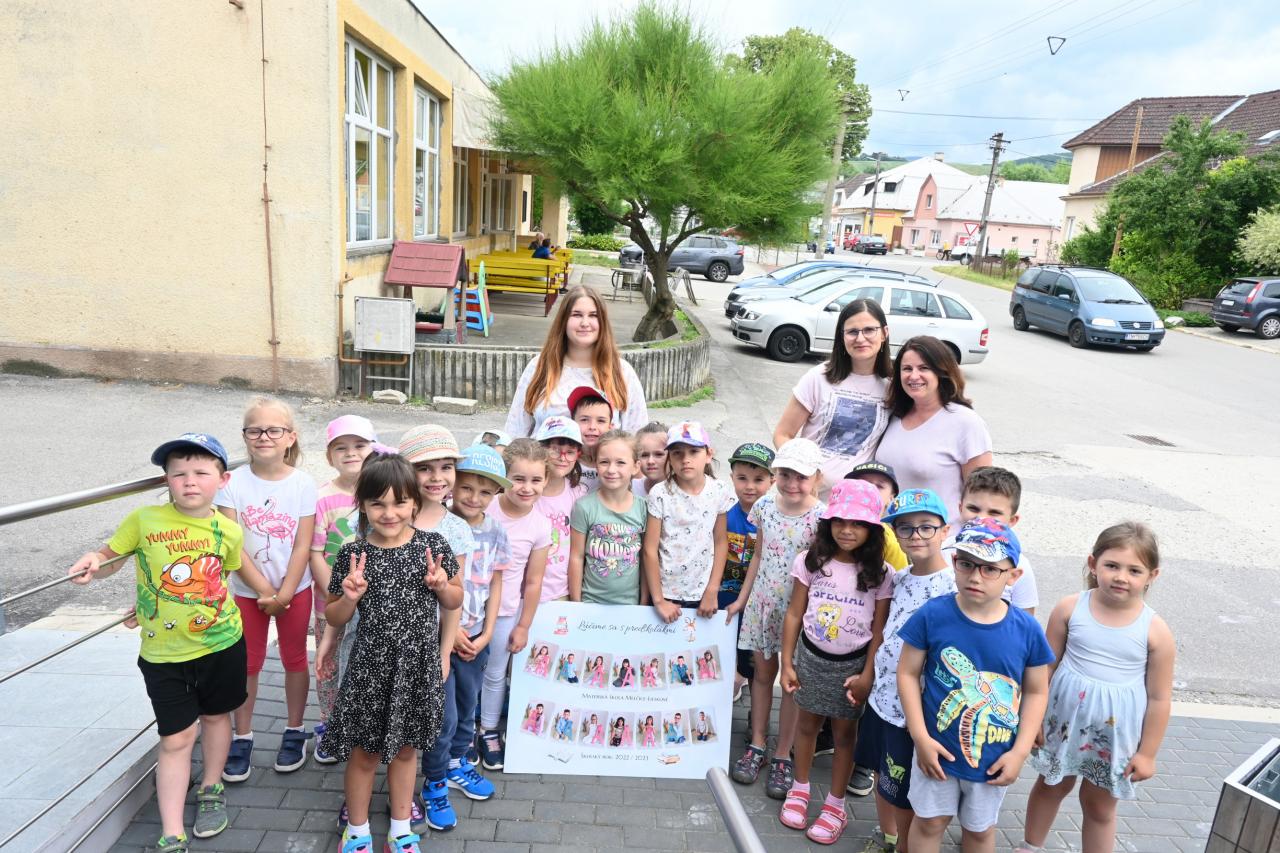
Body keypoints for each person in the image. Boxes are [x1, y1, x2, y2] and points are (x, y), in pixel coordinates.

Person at [70, 433, 247, 852]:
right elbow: (110, 558)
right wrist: (95, 562)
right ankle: (172, 831)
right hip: (163, 655)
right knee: (176, 738)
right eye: (178, 473)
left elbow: (220, 582)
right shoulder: (144, 520)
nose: (189, 481)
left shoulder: (229, 530)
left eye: (201, 472)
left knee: (218, 718)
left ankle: (211, 787)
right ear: (166, 479)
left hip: (223, 644)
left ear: (222, 480)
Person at [321, 452, 462, 853]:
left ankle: (401, 829)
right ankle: (357, 830)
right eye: (377, 503)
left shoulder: (433, 546)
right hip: (370, 669)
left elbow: (455, 600)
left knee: (405, 751)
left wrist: (441, 586)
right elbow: (333, 614)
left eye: (399, 502)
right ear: (362, 505)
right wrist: (349, 597)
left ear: (415, 503)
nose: (389, 513)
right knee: (364, 754)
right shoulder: (352, 554)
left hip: (417, 667)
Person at [897, 518, 1053, 853]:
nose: (975, 576)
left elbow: (1037, 691)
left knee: (980, 831)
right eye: (966, 564)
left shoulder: (1027, 630)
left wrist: (1020, 752)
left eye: (990, 569)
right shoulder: (932, 615)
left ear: (1013, 575)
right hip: (936, 750)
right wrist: (920, 737)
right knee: (929, 822)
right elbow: (907, 673)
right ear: (954, 561)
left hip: (994, 757)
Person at [1019, 523, 1174, 853]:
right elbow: (1045, 668)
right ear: (1093, 564)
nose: (1121, 577)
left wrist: (1147, 753)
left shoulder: (1156, 631)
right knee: (1051, 786)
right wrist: (1030, 720)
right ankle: (1030, 847)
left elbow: (1160, 698)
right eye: (1112, 565)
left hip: (1113, 736)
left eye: (1134, 570)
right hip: (1063, 724)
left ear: (1152, 575)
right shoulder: (1069, 608)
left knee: (1099, 806)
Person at [778, 479, 893, 845]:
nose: (847, 529)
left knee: (845, 736)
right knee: (807, 727)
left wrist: (867, 675)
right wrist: (787, 662)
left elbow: (879, 631)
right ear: (828, 523)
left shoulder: (881, 574)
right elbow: (794, 614)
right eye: (840, 521)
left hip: (852, 669)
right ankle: (799, 788)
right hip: (812, 659)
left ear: (872, 529)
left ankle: (835, 805)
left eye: (858, 523)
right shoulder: (810, 562)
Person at [216, 397, 318, 781]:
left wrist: (285, 593)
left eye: (274, 430)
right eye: (255, 430)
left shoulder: (303, 484)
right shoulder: (231, 483)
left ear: (290, 437)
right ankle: (242, 735)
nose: (264, 437)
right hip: (248, 593)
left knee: (295, 659)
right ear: (245, 436)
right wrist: (264, 591)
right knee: (247, 663)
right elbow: (232, 544)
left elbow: (303, 544)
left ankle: (294, 729)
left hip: (296, 590)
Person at [417, 444, 509, 833]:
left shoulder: (496, 529)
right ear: (454, 484)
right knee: (443, 716)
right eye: (467, 487)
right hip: (441, 637)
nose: (474, 497)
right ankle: (434, 781)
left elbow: (497, 581)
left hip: (476, 637)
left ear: (496, 494)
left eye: (485, 492)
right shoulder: (438, 525)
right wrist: (450, 633)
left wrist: (487, 632)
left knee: (468, 708)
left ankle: (457, 764)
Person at [729, 438, 826, 798]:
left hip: (799, 612)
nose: (792, 483)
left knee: (791, 682)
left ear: (817, 478)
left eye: (801, 476)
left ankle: (783, 753)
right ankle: (757, 742)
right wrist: (742, 600)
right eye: (785, 474)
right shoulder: (765, 506)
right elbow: (757, 556)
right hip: (763, 604)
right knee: (762, 675)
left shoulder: (822, 517)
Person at [863, 488, 956, 853]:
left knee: (902, 791)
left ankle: (903, 844)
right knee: (881, 774)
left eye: (926, 527)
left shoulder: (952, 587)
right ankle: (886, 836)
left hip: (912, 711)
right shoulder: (899, 578)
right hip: (881, 700)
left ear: (945, 531)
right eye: (905, 528)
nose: (916, 535)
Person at [477, 439, 553, 771]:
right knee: (463, 673)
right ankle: (460, 733)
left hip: (506, 611)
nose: (526, 487)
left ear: (546, 480)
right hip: (467, 609)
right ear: (504, 477)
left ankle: (488, 730)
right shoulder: (483, 506)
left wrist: (523, 625)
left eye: (536, 480)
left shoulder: (540, 526)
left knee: (495, 673)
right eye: (518, 478)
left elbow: (533, 581)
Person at [311, 416, 380, 764]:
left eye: (359, 445)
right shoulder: (321, 498)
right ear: (329, 456)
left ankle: (363, 725)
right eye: (341, 447)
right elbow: (315, 552)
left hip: (375, 605)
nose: (351, 453)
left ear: (373, 449)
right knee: (328, 666)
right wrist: (335, 594)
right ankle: (329, 724)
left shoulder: (382, 492)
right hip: (332, 602)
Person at [772, 300, 892, 499]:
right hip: (807, 499)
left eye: (869, 330)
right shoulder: (818, 378)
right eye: (852, 332)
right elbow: (783, 434)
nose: (860, 338)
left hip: (855, 505)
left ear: (884, 333)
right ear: (841, 336)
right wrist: (801, 475)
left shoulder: (893, 386)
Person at [875, 336, 993, 520]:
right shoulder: (895, 415)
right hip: (890, 533)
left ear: (942, 372)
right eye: (907, 369)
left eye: (924, 368)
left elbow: (983, 497)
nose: (914, 376)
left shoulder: (966, 422)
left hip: (940, 535)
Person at [504, 286, 648, 436]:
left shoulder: (622, 371)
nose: (585, 323)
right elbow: (515, 432)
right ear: (563, 320)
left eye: (593, 315)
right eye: (577, 315)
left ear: (602, 322)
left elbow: (637, 437)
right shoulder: (539, 367)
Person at [643, 422, 736, 623]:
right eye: (677, 453)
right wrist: (658, 600)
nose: (685, 459)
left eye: (694, 452)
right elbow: (650, 549)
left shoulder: (719, 490)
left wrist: (712, 589)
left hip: (703, 594)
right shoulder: (660, 493)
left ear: (708, 454)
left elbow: (720, 541)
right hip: (666, 593)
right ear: (669, 458)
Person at [943, 467, 1038, 613]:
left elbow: (1025, 619)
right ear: (960, 508)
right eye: (973, 509)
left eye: (994, 513)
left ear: (1012, 520)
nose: (982, 518)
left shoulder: (1019, 565)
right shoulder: (942, 551)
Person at [569, 429, 648, 604]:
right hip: (590, 602)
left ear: (636, 467)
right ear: (596, 465)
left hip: (630, 605)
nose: (611, 469)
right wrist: (576, 603)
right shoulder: (584, 507)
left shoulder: (643, 508)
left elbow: (644, 558)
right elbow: (576, 557)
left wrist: (643, 603)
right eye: (604, 462)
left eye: (620, 462)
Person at [722, 442, 774, 701]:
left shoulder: (773, 519)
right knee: (722, 657)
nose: (750, 486)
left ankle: (757, 713)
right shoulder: (723, 515)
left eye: (758, 479)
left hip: (756, 609)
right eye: (742, 478)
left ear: (772, 481)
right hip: (723, 603)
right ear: (731, 477)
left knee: (753, 666)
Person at [534, 416, 588, 602]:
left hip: (561, 592)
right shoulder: (527, 493)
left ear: (578, 454)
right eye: (555, 450)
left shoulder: (578, 494)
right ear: (540, 449)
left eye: (570, 452)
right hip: (524, 592)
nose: (563, 458)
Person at [570, 385, 613, 491]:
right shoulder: (565, 462)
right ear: (572, 424)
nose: (592, 427)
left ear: (610, 427)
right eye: (584, 420)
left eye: (601, 421)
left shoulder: (617, 463)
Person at [632, 421, 669, 497]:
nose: (650, 461)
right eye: (644, 455)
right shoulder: (630, 488)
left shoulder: (683, 491)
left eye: (659, 454)